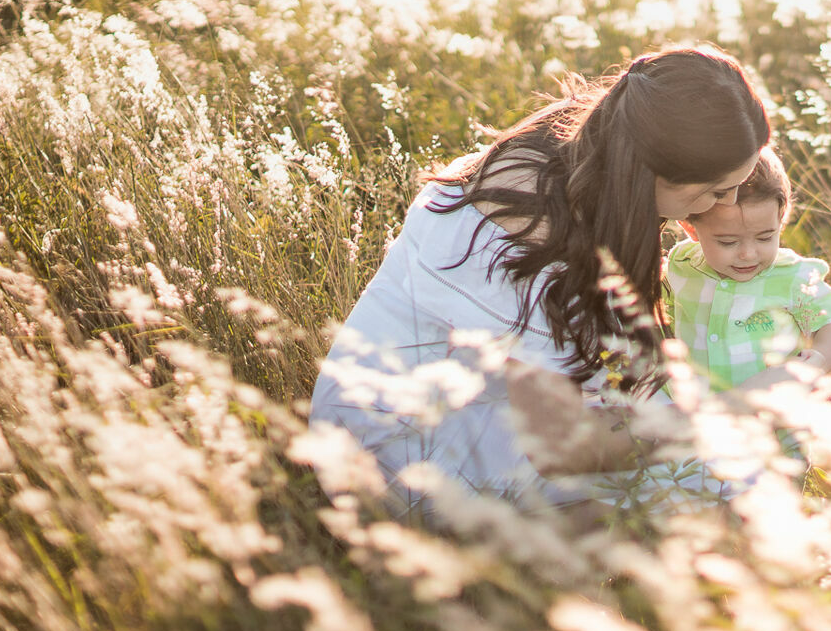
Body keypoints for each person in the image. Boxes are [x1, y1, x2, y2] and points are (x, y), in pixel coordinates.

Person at [309, 46, 770, 510]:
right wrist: (719, 416)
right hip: (397, 451)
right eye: (716, 190)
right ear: (656, 169)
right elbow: (560, 446)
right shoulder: (528, 236)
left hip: (477, 412)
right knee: (717, 484)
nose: (726, 204)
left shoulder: (584, 151)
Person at [663, 147, 831, 393]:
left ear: (780, 220)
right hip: (704, 413)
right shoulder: (682, 264)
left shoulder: (793, 276)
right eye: (728, 242)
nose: (748, 254)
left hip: (777, 416)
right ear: (691, 229)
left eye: (764, 238)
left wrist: (817, 363)